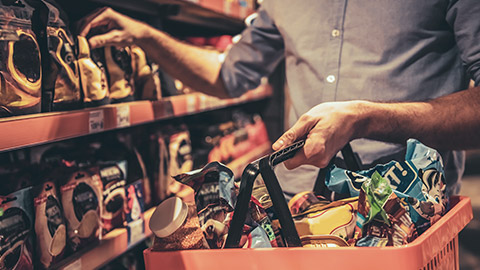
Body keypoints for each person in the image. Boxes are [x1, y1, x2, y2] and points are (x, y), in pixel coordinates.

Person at [79, 1, 480, 197]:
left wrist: (366, 118)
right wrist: (147, 36)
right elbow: (229, 75)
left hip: (407, 211)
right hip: (297, 209)